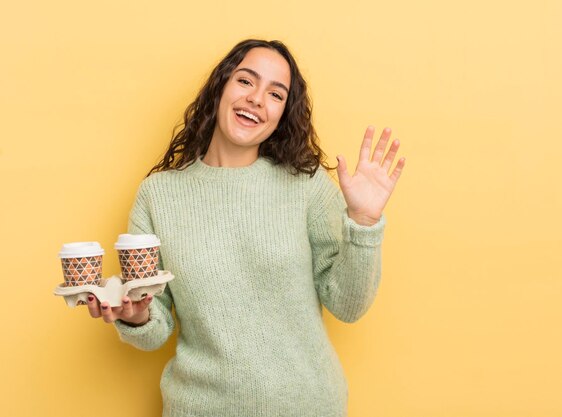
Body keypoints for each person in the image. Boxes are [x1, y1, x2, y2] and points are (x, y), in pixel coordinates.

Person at [86, 39, 405, 417]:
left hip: (307, 406)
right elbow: (154, 324)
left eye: (275, 93)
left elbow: (348, 306)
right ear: (221, 88)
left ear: (282, 114)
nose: (256, 99)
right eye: (246, 81)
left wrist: (364, 223)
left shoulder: (305, 185)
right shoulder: (158, 195)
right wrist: (135, 315)